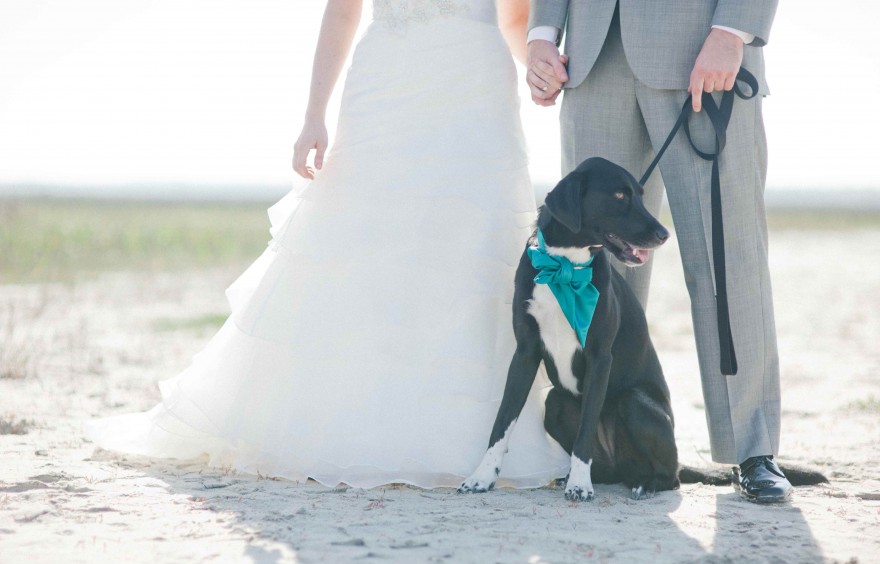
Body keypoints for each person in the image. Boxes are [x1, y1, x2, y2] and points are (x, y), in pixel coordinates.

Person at [86, 0, 572, 489]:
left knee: (472, 252)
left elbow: (514, 14)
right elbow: (342, 11)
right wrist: (313, 116)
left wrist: (536, 67)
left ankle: (470, 437)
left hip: (476, 85)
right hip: (387, 78)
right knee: (364, 243)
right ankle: (352, 425)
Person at [525, 0, 791, 502]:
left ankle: (751, 449)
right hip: (593, 63)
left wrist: (733, 30)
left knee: (726, 258)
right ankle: (603, 447)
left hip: (704, 54)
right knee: (589, 271)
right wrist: (543, 34)